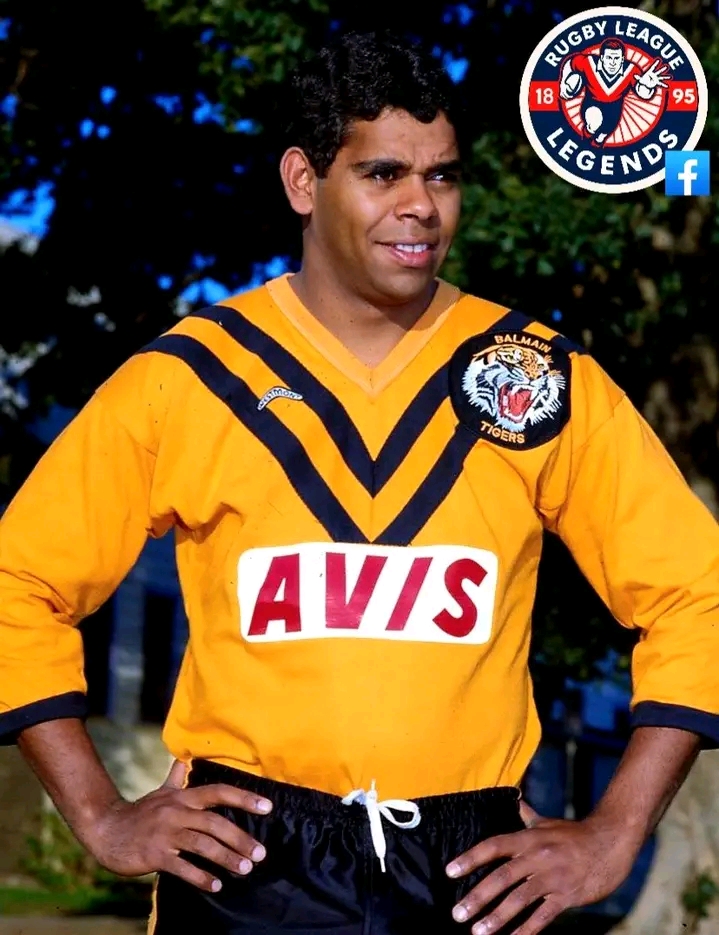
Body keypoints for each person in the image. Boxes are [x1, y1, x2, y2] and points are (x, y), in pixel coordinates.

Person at [0, 29, 717, 935]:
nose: (421, 205)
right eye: (383, 174)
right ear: (303, 181)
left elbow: (697, 593)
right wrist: (100, 813)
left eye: (443, 176)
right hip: (247, 856)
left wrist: (615, 831)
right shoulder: (188, 376)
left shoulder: (534, 374)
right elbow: (18, 581)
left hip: (471, 863)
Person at [559, 38, 670, 146]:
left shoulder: (631, 70)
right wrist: (563, 83)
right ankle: (585, 139)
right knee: (594, 122)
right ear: (602, 58)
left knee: (601, 137)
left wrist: (648, 86)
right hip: (592, 103)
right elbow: (570, 63)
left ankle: (596, 146)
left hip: (614, 109)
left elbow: (642, 93)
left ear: (622, 59)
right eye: (609, 58)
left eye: (616, 58)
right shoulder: (588, 62)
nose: (612, 63)